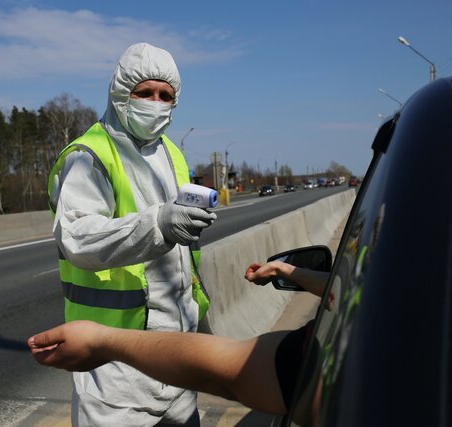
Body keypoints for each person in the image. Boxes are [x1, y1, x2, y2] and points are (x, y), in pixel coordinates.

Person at [47, 42, 217, 426]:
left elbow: (179, 262)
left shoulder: (172, 153)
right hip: (116, 366)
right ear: (121, 94)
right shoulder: (90, 155)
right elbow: (77, 237)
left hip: (176, 354)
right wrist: (158, 225)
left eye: (165, 95)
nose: (156, 102)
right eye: (145, 92)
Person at [28, 261, 328, 419]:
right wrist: (286, 270)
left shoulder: (340, 363)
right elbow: (347, 281)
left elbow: (229, 370)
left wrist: (102, 341)